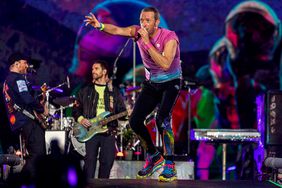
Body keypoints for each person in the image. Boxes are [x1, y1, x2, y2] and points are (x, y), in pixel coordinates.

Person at [84, 6, 182, 182]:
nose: (143, 23)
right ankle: (153, 155)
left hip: (171, 82)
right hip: (152, 84)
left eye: (148, 20)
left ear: (156, 22)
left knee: (162, 119)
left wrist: (146, 42)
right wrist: (99, 26)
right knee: (135, 121)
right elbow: (117, 30)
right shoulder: (137, 32)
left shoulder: (169, 37)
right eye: (141, 20)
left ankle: (169, 164)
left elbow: (165, 64)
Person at [72, 60, 126, 179]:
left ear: (104, 71)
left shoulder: (113, 92)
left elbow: (122, 111)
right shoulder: (86, 90)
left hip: (109, 131)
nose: (93, 71)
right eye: (92, 69)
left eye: (96, 69)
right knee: (89, 163)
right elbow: (75, 109)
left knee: (107, 163)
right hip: (91, 131)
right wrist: (81, 119)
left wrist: (127, 113)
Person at [2, 52, 47, 179]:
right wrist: (41, 108)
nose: (27, 65)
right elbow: (26, 98)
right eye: (24, 62)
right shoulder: (17, 78)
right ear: (16, 64)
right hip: (26, 120)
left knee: (33, 153)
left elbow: (21, 97)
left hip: (16, 122)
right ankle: (22, 180)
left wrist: (39, 94)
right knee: (38, 154)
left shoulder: (7, 80)